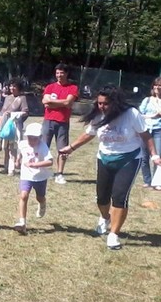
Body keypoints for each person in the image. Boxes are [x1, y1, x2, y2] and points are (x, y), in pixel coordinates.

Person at [60, 86, 161, 250]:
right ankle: (105, 217)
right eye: (99, 103)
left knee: (120, 196)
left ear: (115, 103)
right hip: (104, 158)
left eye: (105, 104)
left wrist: (154, 155)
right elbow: (89, 134)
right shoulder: (98, 115)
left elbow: (146, 135)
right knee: (102, 197)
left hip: (129, 158)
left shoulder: (131, 114)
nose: (101, 107)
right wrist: (71, 148)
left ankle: (113, 234)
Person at [13, 122, 53, 234]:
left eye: (34, 139)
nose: (31, 141)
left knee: (40, 197)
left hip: (40, 176)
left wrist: (35, 165)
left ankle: (42, 203)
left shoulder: (43, 146)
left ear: (40, 137)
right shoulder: (23, 144)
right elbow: (21, 153)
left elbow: (50, 161)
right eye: (29, 138)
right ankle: (22, 223)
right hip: (26, 175)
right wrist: (18, 160)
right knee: (23, 195)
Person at [42, 63, 79, 185]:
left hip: (63, 122)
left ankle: (59, 174)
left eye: (61, 72)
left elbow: (69, 103)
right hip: (48, 120)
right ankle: (42, 171)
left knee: (62, 149)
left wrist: (53, 102)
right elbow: (45, 102)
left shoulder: (72, 88)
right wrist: (62, 103)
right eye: (57, 73)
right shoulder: (50, 87)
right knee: (43, 146)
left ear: (66, 73)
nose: (59, 75)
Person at [0, 78, 29, 175]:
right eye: (11, 86)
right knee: (5, 146)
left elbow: (26, 112)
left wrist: (15, 115)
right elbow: (2, 111)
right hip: (5, 125)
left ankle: (11, 169)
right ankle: (6, 166)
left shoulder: (22, 98)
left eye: (14, 86)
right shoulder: (8, 97)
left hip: (15, 125)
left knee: (13, 147)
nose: (12, 88)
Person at [138, 77, 161, 189]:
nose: (157, 87)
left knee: (158, 157)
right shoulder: (147, 100)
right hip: (145, 130)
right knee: (144, 157)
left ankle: (157, 182)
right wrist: (152, 116)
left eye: (160, 85)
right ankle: (147, 180)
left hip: (158, 130)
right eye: (156, 85)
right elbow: (139, 115)